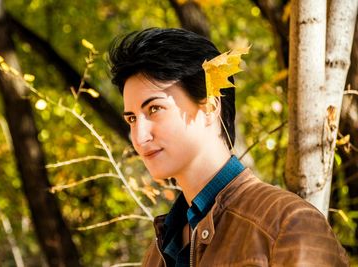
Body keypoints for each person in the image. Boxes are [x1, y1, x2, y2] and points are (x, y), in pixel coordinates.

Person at [109, 28, 348, 267]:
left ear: (210, 108)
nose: (139, 137)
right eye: (131, 119)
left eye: (154, 109)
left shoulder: (287, 225)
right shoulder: (158, 251)